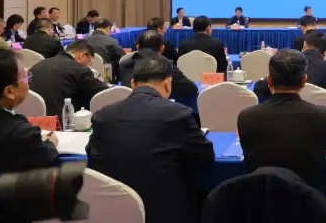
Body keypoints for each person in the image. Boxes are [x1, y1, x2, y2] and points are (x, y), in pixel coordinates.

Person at [87, 57, 214, 223]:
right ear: (168, 83)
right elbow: (204, 156)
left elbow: (92, 154)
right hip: (167, 211)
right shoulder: (177, 113)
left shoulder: (103, 115)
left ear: (133, 84)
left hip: (113, 212)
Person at [238, 50, 326, 195]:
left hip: (261, 197)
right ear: (304, 81)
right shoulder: (323, 116)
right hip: (309, 199)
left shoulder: (247, 117)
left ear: (269, 80)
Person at [0, 49, 59, 177]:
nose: (28, 83)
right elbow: (48, 158)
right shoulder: (21, 134)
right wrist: (52, 143)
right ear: (9, 91)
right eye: (25, 77)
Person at [28, 40, 108, 119]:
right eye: (89, 62)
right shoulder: (79, 69)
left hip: (32, 120)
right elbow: (105, 93)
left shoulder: (36, 67)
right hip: (64, 121)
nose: (88, 66)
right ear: (83, 56)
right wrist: (98, 82)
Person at [255, 31, 326, 100]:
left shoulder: (285, 62)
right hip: (318, 115)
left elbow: (260, 89)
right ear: (325, 52)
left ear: (304, 45)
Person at [120, 30, 197, 101]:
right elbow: (190, 88)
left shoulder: (124, 64)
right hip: (159, 108)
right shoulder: (166, 64)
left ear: (137, 47)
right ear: (162, 48)